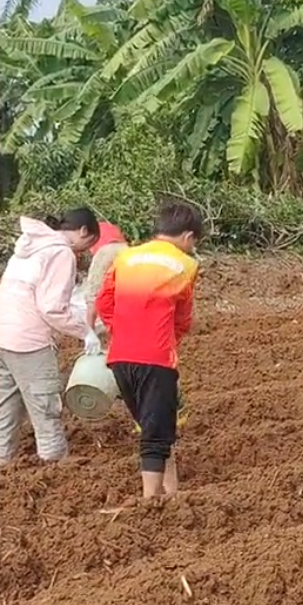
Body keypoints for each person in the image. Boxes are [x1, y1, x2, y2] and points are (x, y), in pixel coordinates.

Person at [94, 199, 202, 500]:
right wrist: (165, 338)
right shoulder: (186, 265)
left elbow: (103, 303)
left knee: (154, 424)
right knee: (155, 433)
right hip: (156, 357)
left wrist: (125, 329)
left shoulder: (125, 258)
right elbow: (183, 320)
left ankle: (171, 492)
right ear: (188, 237)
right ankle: (150, 502)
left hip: (119, 357)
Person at [0, 208, 102, 464]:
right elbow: (52, 307)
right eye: (87, 244)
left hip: (4, 334)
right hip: (29, 341)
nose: (81, 251)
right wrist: (86, 332)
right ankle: (54, 467)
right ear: (82, 231)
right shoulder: (60, 252)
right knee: (45, 407)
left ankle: (3, 463)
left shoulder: (28, 246)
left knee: (6, 406)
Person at [84, 218, 129, 327]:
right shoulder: (112, 227)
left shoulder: (90, 229)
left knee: (93, 294)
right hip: (126, 250)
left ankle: (90, 331)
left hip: (107, 250)